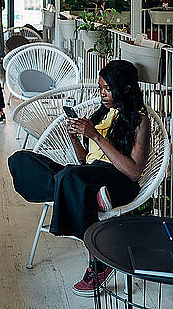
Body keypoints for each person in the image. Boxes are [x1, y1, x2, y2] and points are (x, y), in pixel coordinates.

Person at [8, 60, 149, 297]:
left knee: (69, 176)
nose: (102, 94)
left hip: (117, 179)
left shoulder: (139, 120)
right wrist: (75, 136)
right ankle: (88, 196)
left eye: (107, 89)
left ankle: (99, 261)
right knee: (20, 160)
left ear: (125, 88)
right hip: (88, 174)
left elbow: (134, 171)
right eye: (100, 88)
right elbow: (84, 161)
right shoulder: (101, 113)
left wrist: (95, 135)